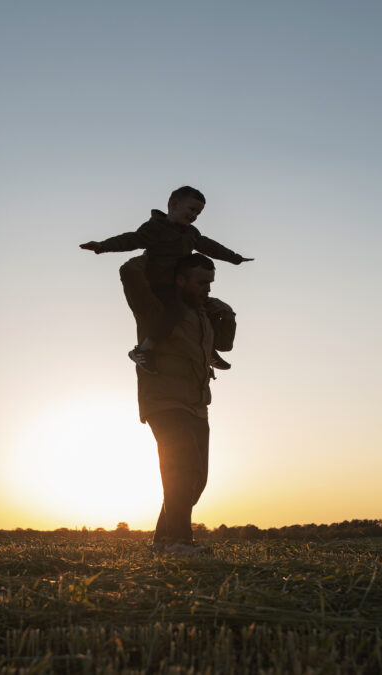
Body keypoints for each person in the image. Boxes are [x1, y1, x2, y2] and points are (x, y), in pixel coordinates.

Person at [119, 253, 237, 553]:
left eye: (210, 284)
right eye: (200, 283)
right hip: (164, 401)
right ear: (180, 279)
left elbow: (222, 346)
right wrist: (164, 253)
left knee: (196, 479)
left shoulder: (203, 312)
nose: (207, 290)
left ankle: (162, 541)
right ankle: (180, 541)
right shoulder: (156, 308)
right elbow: (129, 270)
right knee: (182, 469)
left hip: (197, 404)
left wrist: (227, 315)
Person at [80, 186, 251, 373]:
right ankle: (143, 350)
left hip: (181, 284)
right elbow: (132, 239)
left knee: (207, 309)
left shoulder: (191, 233)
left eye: (198, 213)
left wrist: (234, 258)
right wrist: (102, 246)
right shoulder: (156, 228)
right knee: (175, 312)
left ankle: (208, 351)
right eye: (192, 210)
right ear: (174, 204)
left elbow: (209, 246)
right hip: (160, 284)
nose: (194, 216)